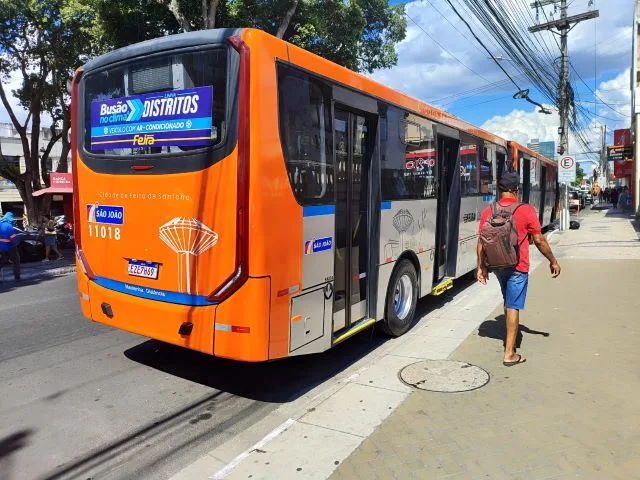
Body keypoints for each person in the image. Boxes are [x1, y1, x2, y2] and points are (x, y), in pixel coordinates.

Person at [476, 172, 561, 367]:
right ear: (516, 190)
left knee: (508, 301)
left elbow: (481, 241)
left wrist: (481, 267)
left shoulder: (489, 210)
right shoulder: (526, 209)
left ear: (499, 189)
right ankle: (509, 353)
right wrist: (553, 260)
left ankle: (510, 340)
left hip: (497, 265)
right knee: (513, 305)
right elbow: (539, 239)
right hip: (518, 265)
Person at [0, 212, 22, 281]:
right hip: (10, 246)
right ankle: (17, 276)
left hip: (1, 247)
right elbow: (12, 238)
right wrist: (15, 245)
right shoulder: (9, 226)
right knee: (16, 261)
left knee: (3, 260)